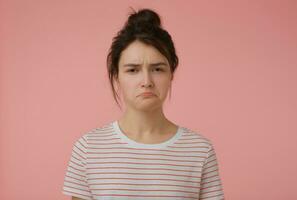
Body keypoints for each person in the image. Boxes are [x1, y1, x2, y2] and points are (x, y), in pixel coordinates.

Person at [62, 7, 225, 200]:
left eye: (157, 69)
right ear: (116, 76)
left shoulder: (200, 150)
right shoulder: (88, 148)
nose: (146, 81)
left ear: (171, 73)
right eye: (133, 70)